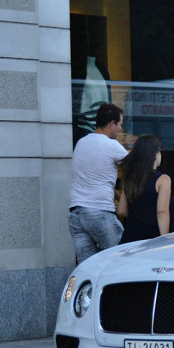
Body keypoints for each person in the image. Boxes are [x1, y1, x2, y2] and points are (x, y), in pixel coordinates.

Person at [68, 103, 127, 266]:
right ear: (112, 124)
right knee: (120, 259)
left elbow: (93, 179)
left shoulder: (81, 143)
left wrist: (117, 195)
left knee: (87, 267)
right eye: (120, 124)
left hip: (76, 214)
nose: (120, 129)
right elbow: (137, 167)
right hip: (99, 212)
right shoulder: (111, 145)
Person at [116, 134, 174, 244]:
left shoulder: (129, 177)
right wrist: (165, 240)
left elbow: (122, 211)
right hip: (152, 242)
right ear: (155, 154)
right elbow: (162, 212)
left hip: (129, 240)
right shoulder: (163, 179)